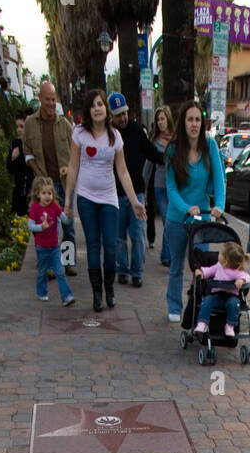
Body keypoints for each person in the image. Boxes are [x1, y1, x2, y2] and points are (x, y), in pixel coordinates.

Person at [64, 88, 146, 312]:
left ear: (106, 109)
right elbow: (73, 166)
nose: (97, 108)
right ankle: (97, 294)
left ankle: (109, 288)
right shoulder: (80, 133)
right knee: (93, 246)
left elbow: (123, 171)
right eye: (93, 105)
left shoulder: (115, 136)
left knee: (110, 245)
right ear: (88, 110)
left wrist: (135, 201)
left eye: (100, 104)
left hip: (109, 198)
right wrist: (68, 201)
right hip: (86, 198)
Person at [165, 101, 226, 324]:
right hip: (178, 218)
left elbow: (219, 181)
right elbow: (171, 188)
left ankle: (196, 305)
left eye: (197, 120)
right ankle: (173, 304)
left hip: (202, 219)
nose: (194, 124)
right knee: (177, 264)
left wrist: (219, 205)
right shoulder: (173, 150)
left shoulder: (210, 146)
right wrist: (185, 208)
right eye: (190, 120)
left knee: (202, 267)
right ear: (183, 123)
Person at [107, 92, 164, 288]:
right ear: (111, 116)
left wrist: (167, 159)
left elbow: (150, 151)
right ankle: (122, 269)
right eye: (118, 114)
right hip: (114, 194)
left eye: (124, 113)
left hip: (137, 193)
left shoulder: (136, 130)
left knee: (138, 234)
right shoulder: (109, 134)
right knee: (119, 237)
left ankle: (137, 271)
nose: (122, 118)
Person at [23, 81, 78, 275]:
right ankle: (47, 266)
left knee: (68, 225)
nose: (51, 103)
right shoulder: (30, 124)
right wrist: (37, 171)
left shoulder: (64, 125)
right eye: (47, 99)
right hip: (43, 185)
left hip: (64, 184)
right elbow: (27, 152)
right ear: (40, 99)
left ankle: (68, 262)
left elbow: (76, 151)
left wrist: (68, 166)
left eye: (53, 100)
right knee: (46, 228)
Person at [27, 177, 75, 306]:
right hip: (42, 248)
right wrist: (40, 227)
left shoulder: (54, 206)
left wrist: (68, 215)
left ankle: (67, 296)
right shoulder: (35, 208)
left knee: (60, 271)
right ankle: (41, 292)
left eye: (50, 193)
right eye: (44, 193)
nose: (47, 196)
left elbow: (64, 220)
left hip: (54, 247)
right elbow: (30, 226)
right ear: (37, 194)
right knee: (42, 272)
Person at [193, 240, 250, 338]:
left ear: (226, 261)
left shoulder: (237, 272)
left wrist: (241, 280)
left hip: (231, 297)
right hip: (217, 296)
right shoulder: (218, 266)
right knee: (207, 301)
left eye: (221, 253)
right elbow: (209, 270)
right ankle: (202, 323)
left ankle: (230, 325)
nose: (218, 254)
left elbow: (248, 277)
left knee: (234, 304)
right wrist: (201, 272)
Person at [145, 105, 175, 266]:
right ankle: (167, 256)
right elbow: (148, 167)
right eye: (158, 119)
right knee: (166, 219)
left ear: (168, 119)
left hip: (174, 187)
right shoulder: (154, 141)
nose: (160, 122)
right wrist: (142, 189)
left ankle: (166, 255)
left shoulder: (177, 139)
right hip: (159, 185)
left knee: (171, 220)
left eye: (163, 118)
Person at [6, 114, 33, 216]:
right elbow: (10, 167)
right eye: (17, 127)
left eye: (22, 126)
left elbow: (29, 164)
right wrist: (13, 158)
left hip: (31, 187)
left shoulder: (31, 143)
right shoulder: (14, 143)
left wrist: (18, 157)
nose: (19, 130)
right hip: (19, 188)